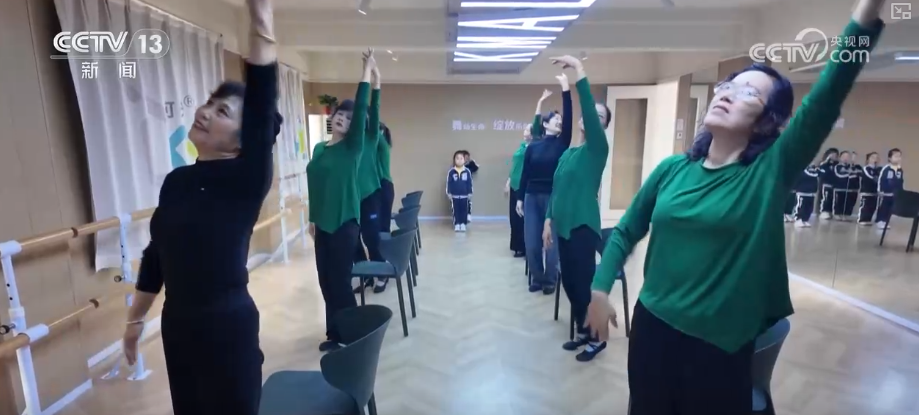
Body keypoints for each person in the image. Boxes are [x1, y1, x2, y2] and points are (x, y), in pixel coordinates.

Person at [586, 2, 884, 413]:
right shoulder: (673, 169)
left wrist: (866, 15)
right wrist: (600, 289)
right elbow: (626, 230)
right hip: (651, 327)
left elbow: (830, 90)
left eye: (748, 92)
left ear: (767, 121)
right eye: (727, 85)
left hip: (718, 345)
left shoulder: (768, 171)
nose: (727, 93)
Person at [121, 1, 281, 413]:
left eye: (222, 111)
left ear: (244, 140)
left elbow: (263, 102)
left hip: (228, 328)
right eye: (209, 103)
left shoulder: (246, 179)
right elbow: (156, 256)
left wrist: (261, 20)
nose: (205, 112)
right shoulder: (177, 181)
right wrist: (135, 321)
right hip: (178, 327)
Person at [540, 58, 611, 362]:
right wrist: (547, 220)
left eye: (599, 116)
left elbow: (591, 115)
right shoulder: (570, 153)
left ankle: (598, 338)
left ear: (602, 125)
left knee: (583, 284)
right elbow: (556, 189)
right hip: (564, 226)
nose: (592, 118)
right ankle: (584, 330)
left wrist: (579, 72)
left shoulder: (597, 149)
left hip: (583, 226)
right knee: (569, 283)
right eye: (591, 114)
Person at [307, 48, 376, 352]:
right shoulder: (320, 150)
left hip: (345, 224)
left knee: (340, 282)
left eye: (349, 118)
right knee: (325, 281)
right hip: (321, 224)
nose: (343, 119)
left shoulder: (352, 150)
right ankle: (334, 334)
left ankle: (354, 336)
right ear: (332, 117)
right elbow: (316, 186)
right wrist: (312, 219)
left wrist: (367, 74)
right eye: (340, 115)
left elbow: (361, 110)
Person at [518, 86, 572, 295]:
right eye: (555, 119)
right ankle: (537, 278)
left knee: (550, 241)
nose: (559, 121)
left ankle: (550, 279)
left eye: (560, 119)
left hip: (553, 197)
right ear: (546, 124)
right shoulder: (533, 146)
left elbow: (568, 118)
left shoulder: (562, 143)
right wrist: (520, 198)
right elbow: (525, 173)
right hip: (531, 196)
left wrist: (566, 90)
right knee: (532, 241)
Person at [353, 69, 387, 294]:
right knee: (352, 239)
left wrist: (375, 84)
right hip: (350, 197)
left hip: (371, 195)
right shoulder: (349, 144)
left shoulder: (372, 137)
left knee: (371, 237)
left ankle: (381, 273)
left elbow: (372, 110)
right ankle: (365, 273)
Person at [505, 125, 532, 257]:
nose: (524, 131)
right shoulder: (522, 147)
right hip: (514, 185)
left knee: (522, 217)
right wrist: (508, 181)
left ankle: (525, 247)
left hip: (524, 186)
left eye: (527, 130)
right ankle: (516, 245)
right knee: (514, 217)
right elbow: (515, 166)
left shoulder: (533, 148)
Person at [876, 148, 904, 229]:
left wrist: (901, 192)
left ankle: (885, 221)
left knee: (890, 208)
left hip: (895, 193)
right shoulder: (886, 168)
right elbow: (881, 179)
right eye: (895, 156)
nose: (898, 158)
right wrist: (880, 190)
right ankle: (879, 221)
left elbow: (901, 181)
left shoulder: (900, 169)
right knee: (883, 207)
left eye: (899, 156)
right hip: (885, 193)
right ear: (889, 158)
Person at [447, 151, 473, 232]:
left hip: (464, 196)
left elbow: (469, 183)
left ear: (464, 160)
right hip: (455, 196)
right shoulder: (451, 172)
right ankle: (457, 224)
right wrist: (449, 192)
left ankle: (463, 224)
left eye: (461, 158)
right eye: (457, 158)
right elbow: (449, 183)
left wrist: (470, 192)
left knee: (464, 210)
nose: (459, 160)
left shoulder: (467, 171)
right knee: (456, 210)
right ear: (454, 160)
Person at [377, 123, 395, 232]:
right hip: (385, 186)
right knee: (382, 224)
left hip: (384, 186)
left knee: (383, 225)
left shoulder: (383, 145)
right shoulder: (383, 146)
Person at [794, 162, 820, 228]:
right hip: (802, 191)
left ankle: (805, 219)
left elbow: (820, 174)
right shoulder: (801, 169)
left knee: (809, 207)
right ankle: (798, 219)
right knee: (801, 206)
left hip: (812, 193)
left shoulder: (815, 170)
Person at [857, 151, 880, 225]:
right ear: (868, 159)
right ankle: (862, 219)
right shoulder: (866, 168)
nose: (875, 159)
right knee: (865, 205)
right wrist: (877, 179)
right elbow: (870, 177)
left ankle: (868, 219)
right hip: (866, 191)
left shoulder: (878, 170)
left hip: (874, 192)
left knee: (872, 206)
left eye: (876, 158)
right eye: (873, 157)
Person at [818, 148, 839, 219]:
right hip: (825, 184)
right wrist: (827, 160)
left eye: (835, 155)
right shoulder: (824, 163)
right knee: (825, 198)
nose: (834, 156)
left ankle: (831, 212)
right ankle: (823, 211)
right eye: (832, 154)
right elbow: (821, 170)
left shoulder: (837, 164)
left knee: (832, 199)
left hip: (834, 185)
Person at [832, 150, 853, 220]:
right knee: (838, 202)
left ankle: (845, 215)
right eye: (844, 156)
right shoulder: (837, 166)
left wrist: (851, 172)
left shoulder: (850, 167)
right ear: (840, 157)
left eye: (847, 157)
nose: (845, 158)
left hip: (848, 189)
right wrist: (849, 174)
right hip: (839, 188)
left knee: (847, 203)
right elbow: (839, 174)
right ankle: (836, 214)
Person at [461, 150, 479, 222]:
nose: (467, 159)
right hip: (459, 187)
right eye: (465, 158)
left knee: (468, 201)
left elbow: (475, 168)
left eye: (468, 158)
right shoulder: (458, 166)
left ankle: (468, 214)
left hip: (467, 187)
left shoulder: (469, 166)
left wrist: (472, 162)